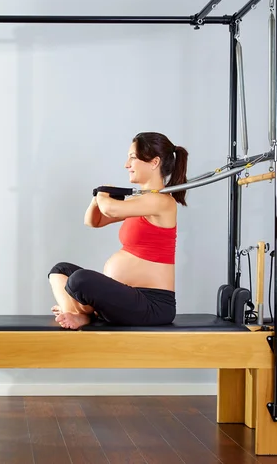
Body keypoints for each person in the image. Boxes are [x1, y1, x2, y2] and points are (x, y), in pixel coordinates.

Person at [48, 132, 189, 329]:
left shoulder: (162, 202)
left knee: (80, 281)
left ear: (154, 162)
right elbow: (93, 221)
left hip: (152, 305)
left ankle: (82, 313)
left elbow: (110, 208)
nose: (126, 164)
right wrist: (96, 197)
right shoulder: (140, 201)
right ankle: (79, 314)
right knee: (60, 271)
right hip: (125, 297)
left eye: (132, 157)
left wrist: (103, 194)